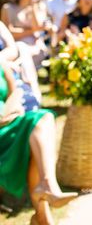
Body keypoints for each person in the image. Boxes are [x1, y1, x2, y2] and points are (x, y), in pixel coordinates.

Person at [0, 21, 77, 225]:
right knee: (33, 136)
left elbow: (14, 89)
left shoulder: (1, 63)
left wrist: (13, 108)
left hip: (9, 120)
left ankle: (47, 185)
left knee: (43, 119)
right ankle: (42, 215)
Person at [1, 0, 50, 67]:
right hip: (15, 46)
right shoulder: (8, 8)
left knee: (33, 51)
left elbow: (38, 26)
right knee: (22, 48)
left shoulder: (39, 8)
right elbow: (9, 33)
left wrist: (33, 4)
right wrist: (32, 31)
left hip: (35, 46)